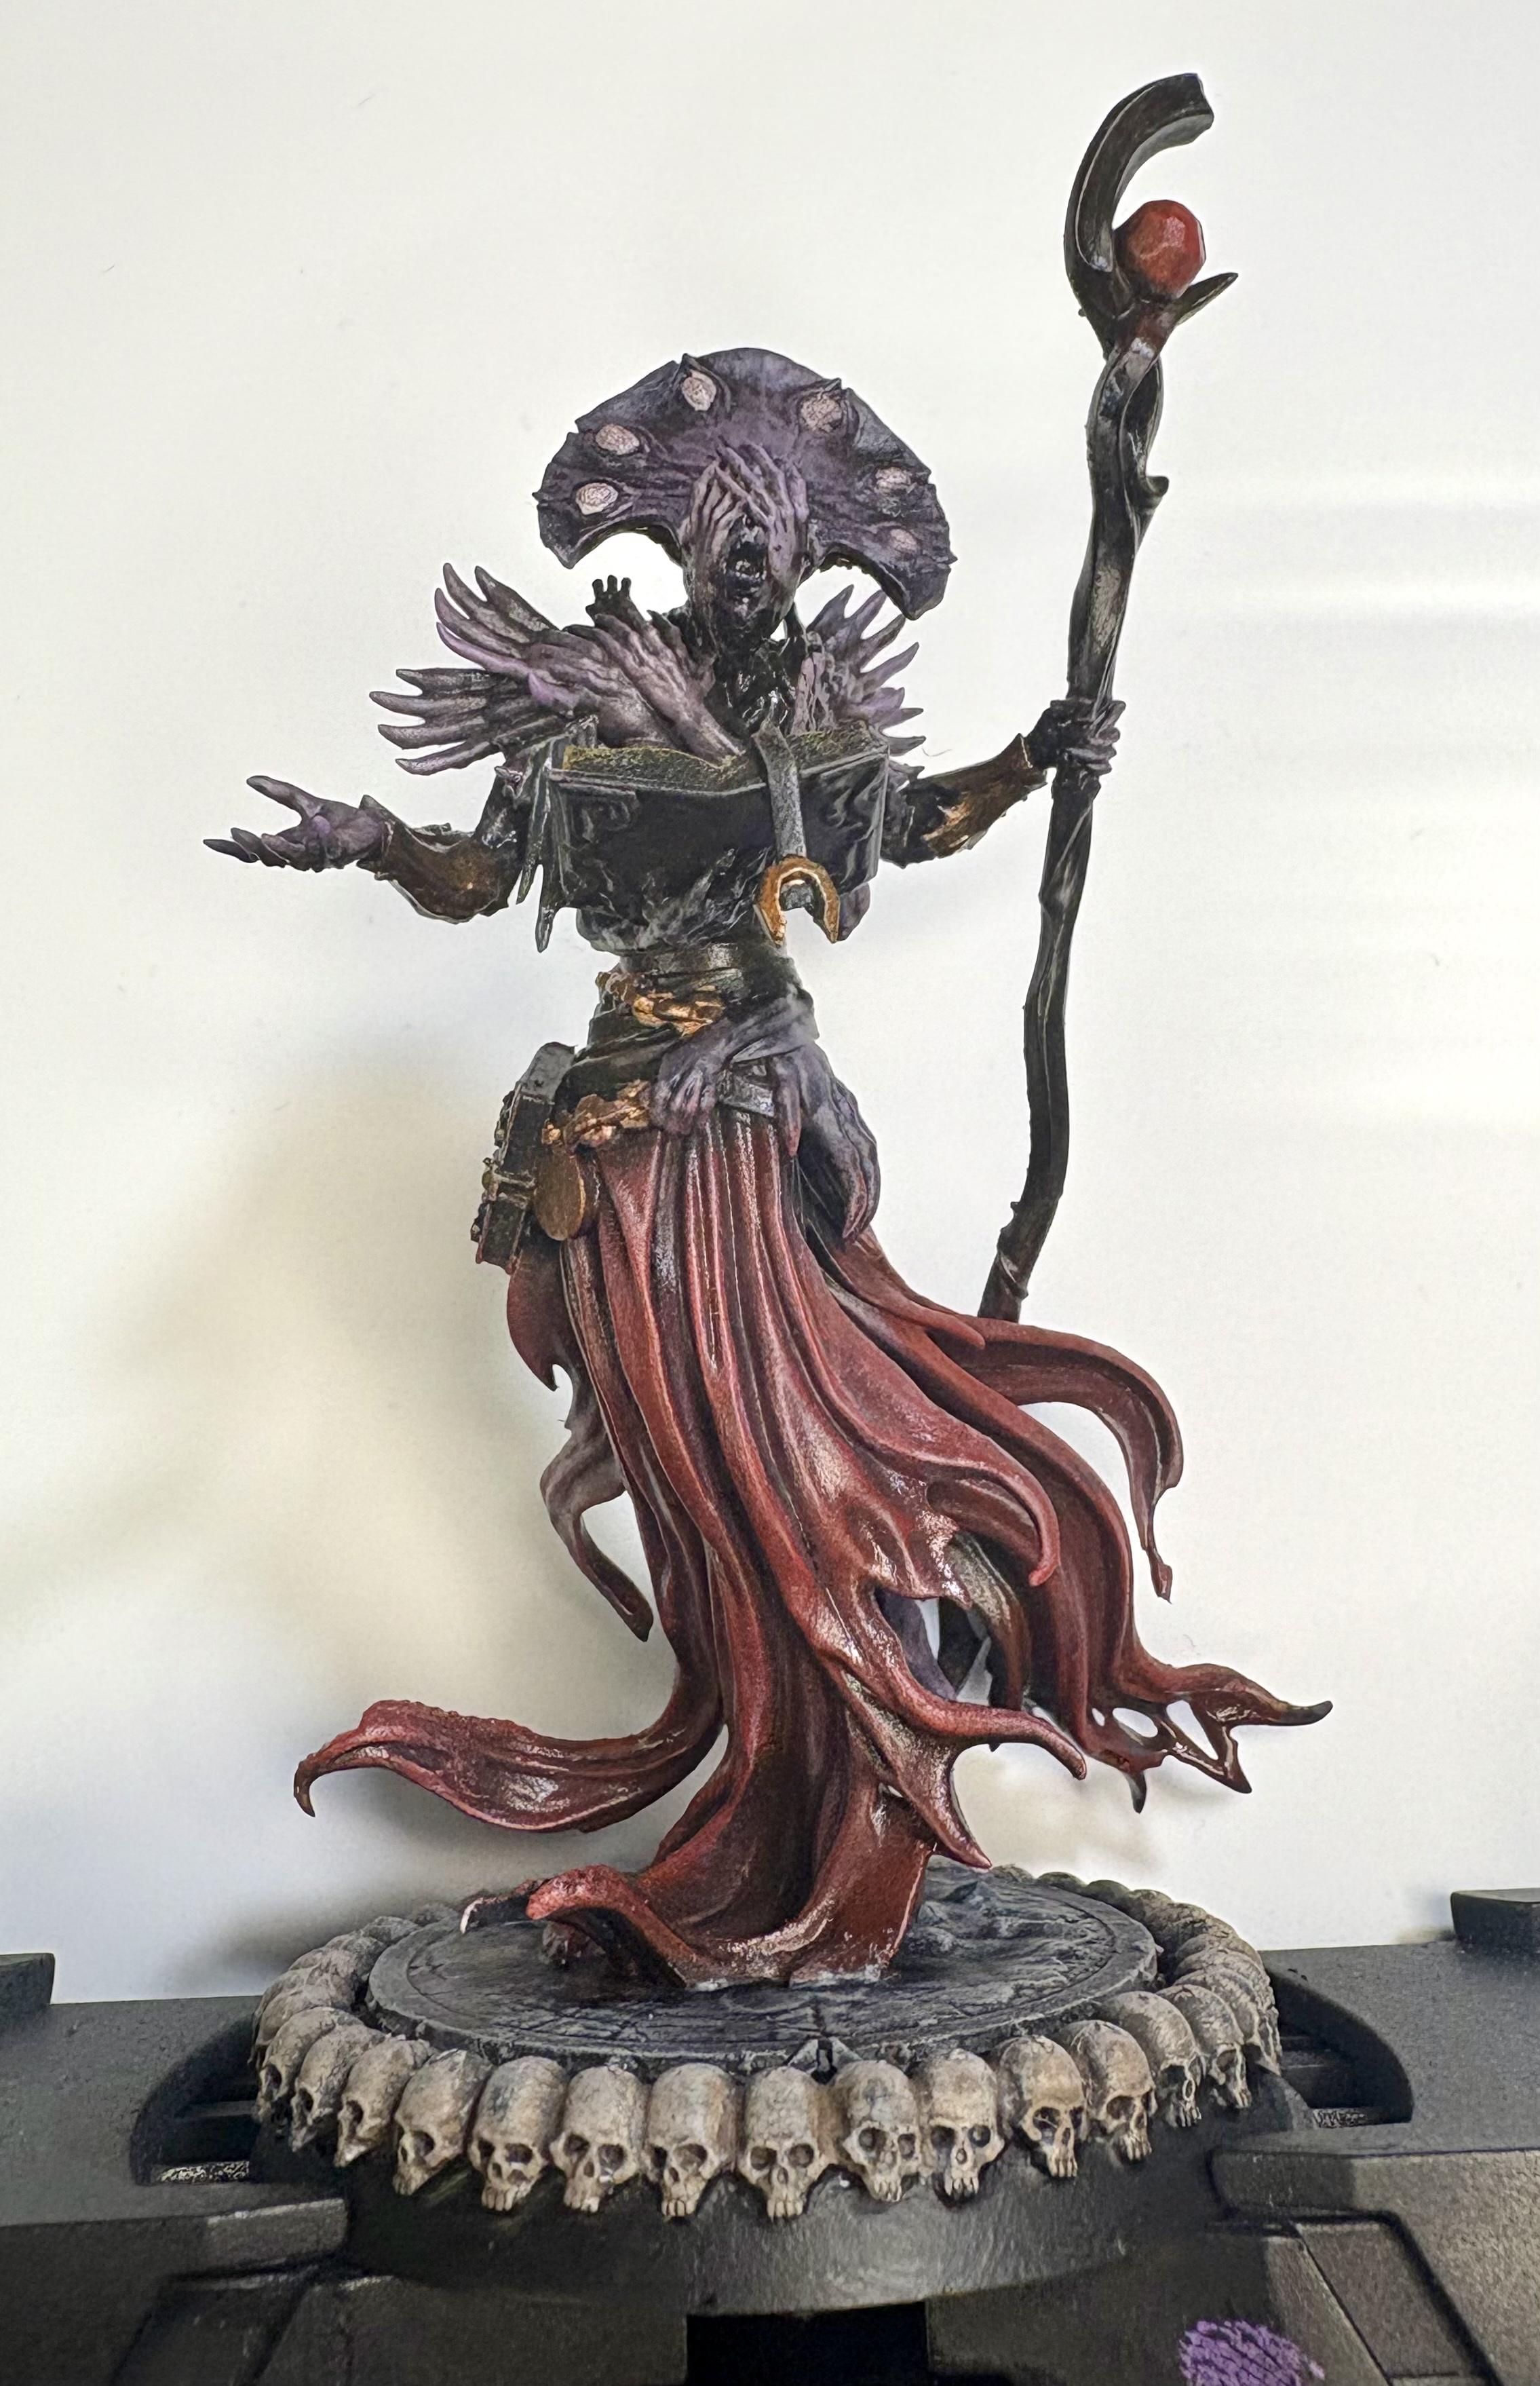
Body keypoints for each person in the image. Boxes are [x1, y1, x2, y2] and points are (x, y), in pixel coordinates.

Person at [212, 349, 1323, 1988]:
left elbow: (908, 824)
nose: (747, 566)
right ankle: (773, 1805)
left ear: (808, 554)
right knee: (705, 1481)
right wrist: (371, 841)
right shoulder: (587, 703)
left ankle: (855, 1784)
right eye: (723, 540)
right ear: (678, 549)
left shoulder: (820, 714)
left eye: (773, 543)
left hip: (759, 1112)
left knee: (816, 1454)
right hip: (629, 1128)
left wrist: (1033, 759)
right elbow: (479, 872)